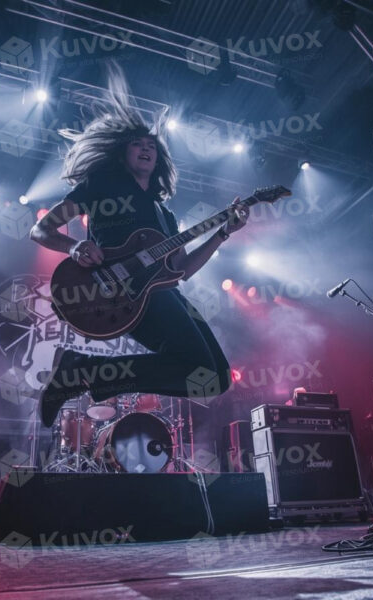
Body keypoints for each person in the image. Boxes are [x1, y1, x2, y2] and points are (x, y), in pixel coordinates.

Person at [29, 65, 247, 428]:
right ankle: (83, 369)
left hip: (159, 292)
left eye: (152, 146)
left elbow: (181, 271)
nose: (146, 149)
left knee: (216, 378)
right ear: (122, 154)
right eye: (137, 144)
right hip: (115, 292)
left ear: (159, 159)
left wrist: (223, 233)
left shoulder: (166, 217)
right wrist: (74, 248)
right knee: (201, 368)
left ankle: (82, 371)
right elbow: (40, 230)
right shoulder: (102, 185)